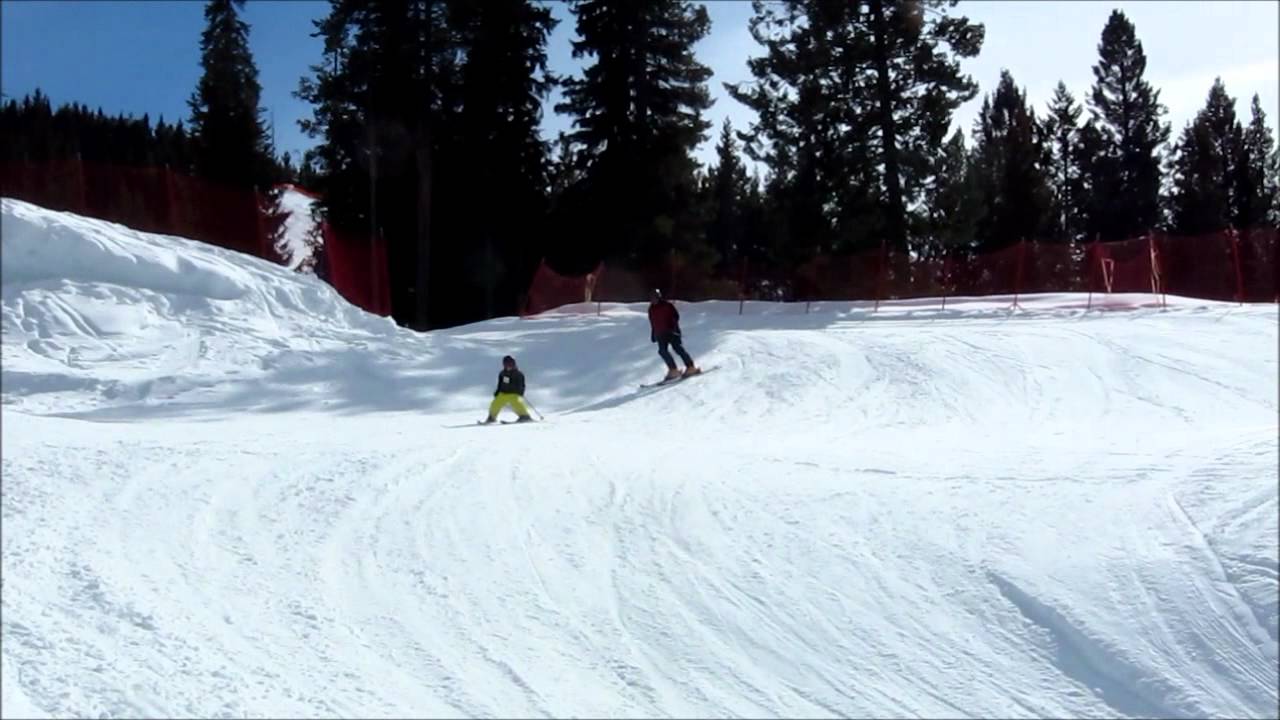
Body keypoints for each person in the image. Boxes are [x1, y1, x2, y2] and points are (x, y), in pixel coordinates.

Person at [647, 289, 700, 381]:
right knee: (662, 351)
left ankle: (690, 367)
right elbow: (653, 322)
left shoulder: (667, 305)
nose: (653, 300)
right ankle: (673, 370)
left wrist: (673, 327)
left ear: (659, 297)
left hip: (671, 332)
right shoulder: (651, 309)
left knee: (678, 348)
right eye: (651, 298)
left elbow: (675, 316)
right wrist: (653, 333)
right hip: (660, 333)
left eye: (655, 298)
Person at [485, 355, 533, 423]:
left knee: (517, 403)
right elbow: (500, 384)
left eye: (510, 364)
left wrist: (520, 392)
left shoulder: (518, 374)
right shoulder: (502, 373)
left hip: (514, 393)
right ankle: (492, 417)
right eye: (507, 364)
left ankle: (524, 416)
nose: (509, 366)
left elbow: (522, 384)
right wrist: (497, 392)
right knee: (495, 403)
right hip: (504, 392)